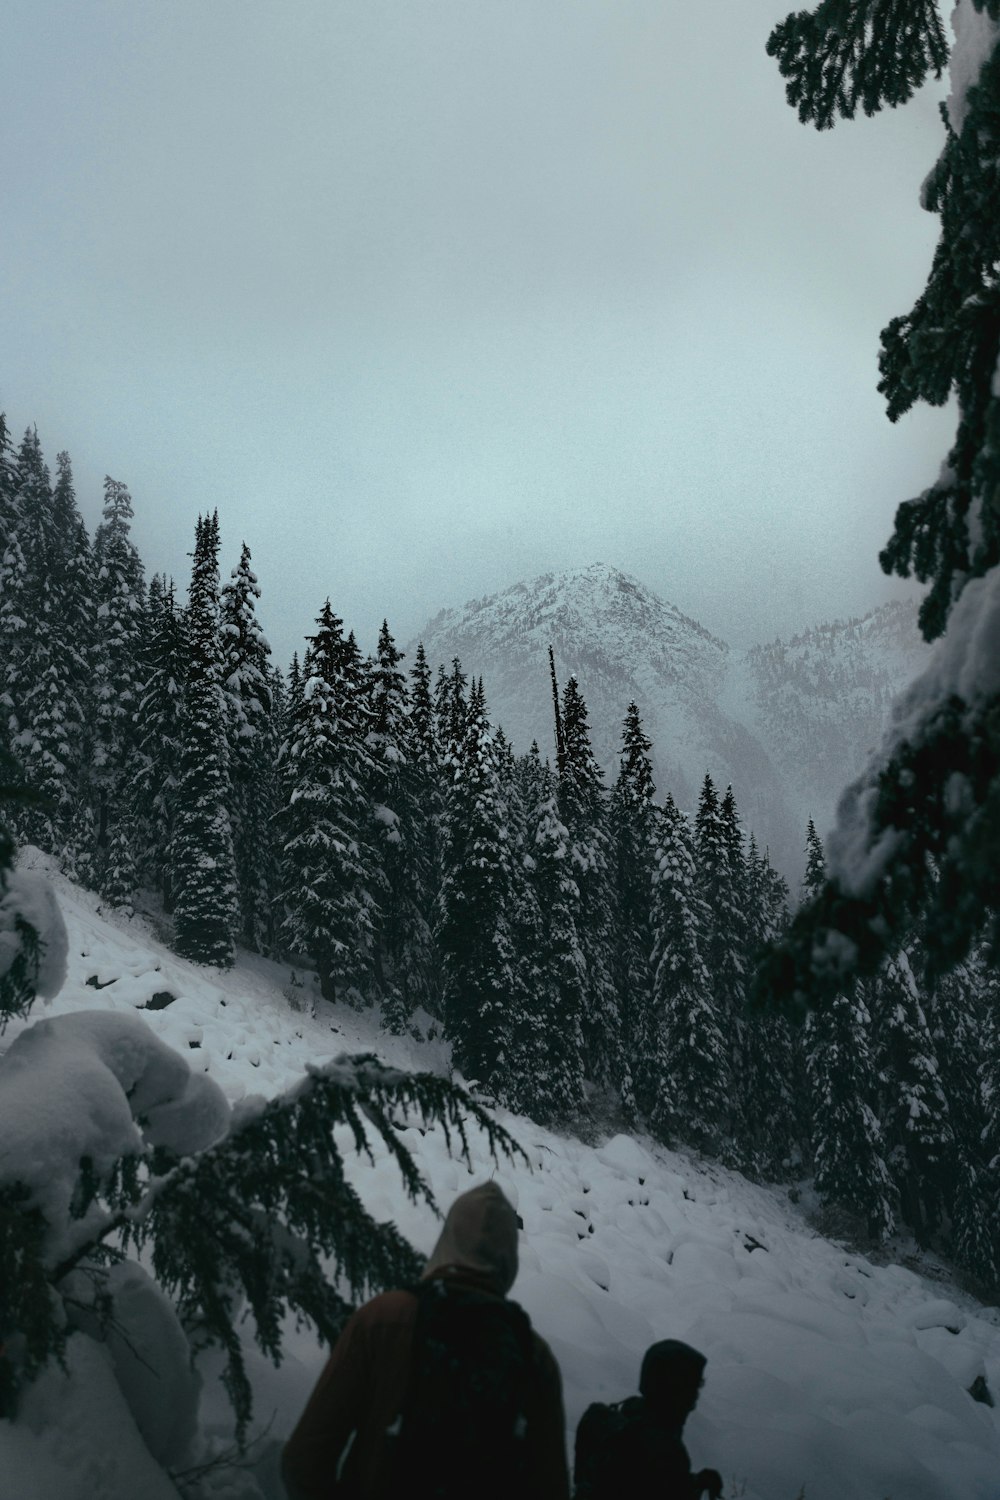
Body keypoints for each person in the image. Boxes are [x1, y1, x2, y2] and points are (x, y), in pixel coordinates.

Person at [281, 1180, 570, 1500]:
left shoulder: (384, 1320)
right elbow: (551, 1488)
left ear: (446, 1241)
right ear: (510, 1261)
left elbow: (305, 1460)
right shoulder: (534, 1356)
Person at [573, 1339, 722, 1500]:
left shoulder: (630, 1416)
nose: (694, 1401)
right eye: (691, 1389)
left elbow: (653, 1483)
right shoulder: (662, 1449)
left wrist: (696, 1482)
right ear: (674, 1392)